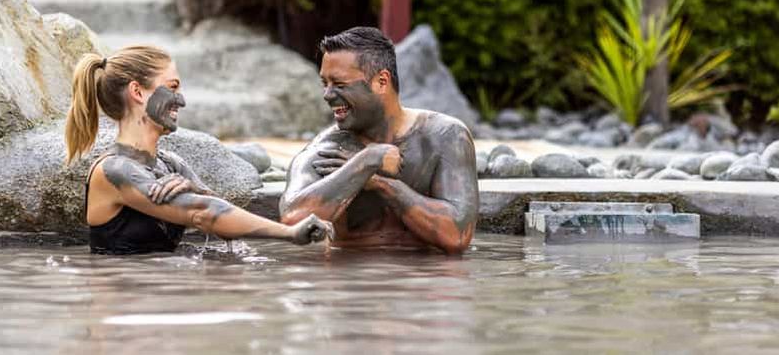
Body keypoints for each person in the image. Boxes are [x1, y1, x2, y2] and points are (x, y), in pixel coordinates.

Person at [65, 45, 333, 255]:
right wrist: (290, 233)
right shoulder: (113, 171)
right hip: (121, 315)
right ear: (138, 92)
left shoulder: (170, 164)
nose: (181, 100)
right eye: (172, 87)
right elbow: (203, 213)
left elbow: (222, 225)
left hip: (157, 301)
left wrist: (196, 189)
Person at [280, 27, 479, 254]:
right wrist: (367, 160)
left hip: (427, 282)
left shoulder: (445, 137)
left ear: (381, 82)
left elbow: (457, 236)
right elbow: (291, 221)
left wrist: (382, 184)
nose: (327, 95)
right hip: (351, 281)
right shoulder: (327, 150)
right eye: (324, 83)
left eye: (340, 84)